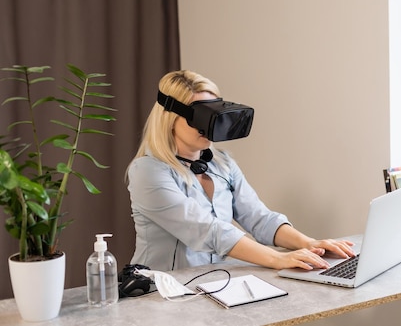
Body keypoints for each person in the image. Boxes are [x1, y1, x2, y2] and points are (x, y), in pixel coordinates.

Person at [126, 70, 354, 272]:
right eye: (201, 117)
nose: (209, 127)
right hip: (160, 292)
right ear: (170, 118)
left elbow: (258, 217)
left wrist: (308, 243)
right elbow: (206, 230)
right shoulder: (148, 171)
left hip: (214, 283)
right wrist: (277, 258)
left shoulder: (222, 163)